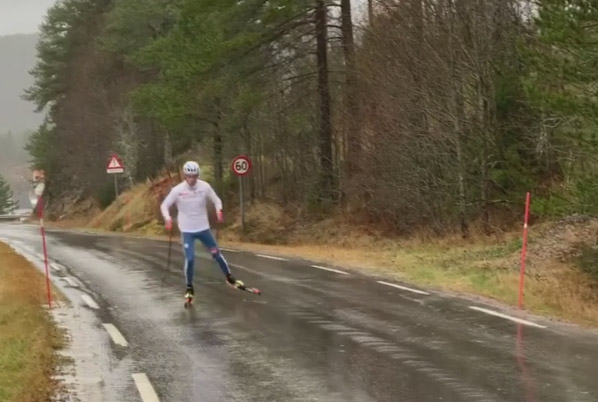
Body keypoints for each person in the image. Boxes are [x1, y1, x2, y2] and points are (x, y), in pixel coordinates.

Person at [160, 160, 241, 300]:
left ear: (197, 175)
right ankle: (189, 287)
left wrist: (219, 211)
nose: (192, 180)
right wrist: (167, 219)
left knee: (216, 254)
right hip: (187, 231)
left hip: (203, 229)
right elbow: (164, 206)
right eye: (189, 176)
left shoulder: (205, 187)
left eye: (194, 176)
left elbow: (217, 200)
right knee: (190, 259)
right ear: (185, 176)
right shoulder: (178, 190)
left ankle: (229, 277)